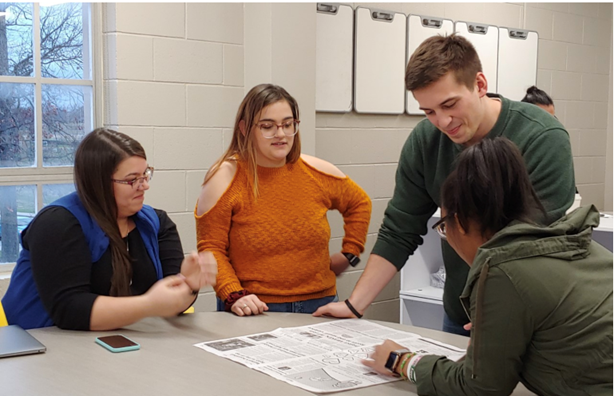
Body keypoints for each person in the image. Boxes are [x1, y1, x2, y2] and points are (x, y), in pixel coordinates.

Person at [314, 34, 576, 336]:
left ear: (479, 85)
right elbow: (400, 229)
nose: (442, 121)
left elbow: (535, 243)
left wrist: (502, 310)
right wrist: (354, 305)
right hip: (460, 313)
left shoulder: (542, 138)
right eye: (429, 111)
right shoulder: (426, 141)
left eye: (449, 104)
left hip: (529, 315)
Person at [363, 137, 613, 396]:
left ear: (457, 222)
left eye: (443, 228)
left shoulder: (503, 270)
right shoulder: (580, 247)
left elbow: (479, 388)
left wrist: (402, 361)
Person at [2, 128, 217, 330]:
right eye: (132, 180)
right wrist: (148, 304)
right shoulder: (58, 223)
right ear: (99, 183)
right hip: (39, 345)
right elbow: (69, 310)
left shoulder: (157, 223)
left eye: (146, 175)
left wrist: (189, 285)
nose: (144, 185)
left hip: (114, 343)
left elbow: (172, 305)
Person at [195, 84, 371, 317]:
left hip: (318, 304)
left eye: (288, 125)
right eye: (268, 126)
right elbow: (211, 248)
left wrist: (351, 253)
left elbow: (360, 203)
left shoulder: (316, 171)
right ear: (245, 128)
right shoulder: (224, 177)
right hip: (253, 307)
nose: (281, 134)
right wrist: (233, 294)